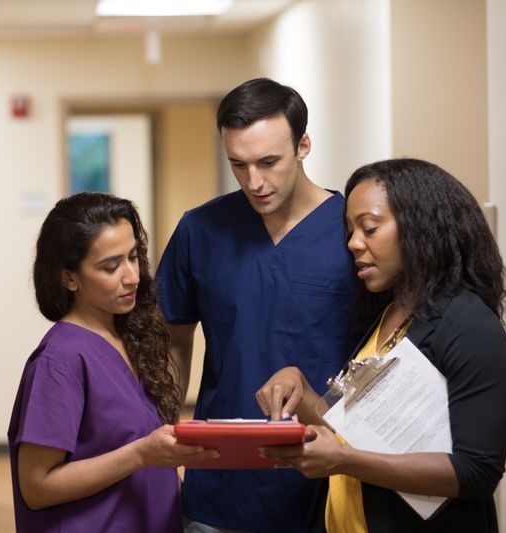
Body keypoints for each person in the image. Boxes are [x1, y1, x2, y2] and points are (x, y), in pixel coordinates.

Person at [155, 78, 375, 532]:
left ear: (303, 145)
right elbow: (173, 340)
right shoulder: (201, 230)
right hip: (222, 483)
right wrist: (163, 430)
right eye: (238, 164)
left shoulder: (351, 234)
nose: (255, 182)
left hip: (329, 480)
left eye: (269, 162)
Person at [256, 158, 506, 532]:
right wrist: (302, 388)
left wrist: (344, 461)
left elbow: (476, 472)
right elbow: (354, 432)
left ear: (420, 228)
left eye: (370, 228)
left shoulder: (467, 323)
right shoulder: (389, 311)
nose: (353, 243)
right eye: (349, 230)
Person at [7, 192, 218, 533]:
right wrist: (142, 454)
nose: (132, 276)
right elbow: (37, 486)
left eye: (134, 257)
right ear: (69, 277)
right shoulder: (60, 360)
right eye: (110, 266)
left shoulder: (131, 337)